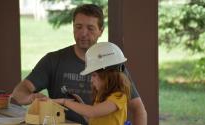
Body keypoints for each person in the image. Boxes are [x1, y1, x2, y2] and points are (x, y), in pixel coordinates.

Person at [12, 4, 147, 125]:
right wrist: (31, 97)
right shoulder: (53, 60)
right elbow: (19, 92)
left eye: (90, 28)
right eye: (78, 27)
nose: (83, 33)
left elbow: (138, 109)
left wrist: (66, 102)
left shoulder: (112, 64)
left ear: (101, 30)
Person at [53, 42, 131, 125]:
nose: (91, 80)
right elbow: (91, 118)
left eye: (94, 75)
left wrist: (65, 102)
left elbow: (92, 112)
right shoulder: (102, 95)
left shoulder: (119, 97)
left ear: (107, 75)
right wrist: (80, 103)